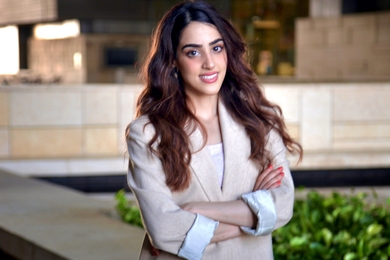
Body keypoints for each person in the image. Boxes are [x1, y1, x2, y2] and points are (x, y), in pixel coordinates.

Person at [126, 1, 303, 259]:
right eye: (193, 52)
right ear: (174, 61)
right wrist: (254, 213)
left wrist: (197, 210)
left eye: (216, 48)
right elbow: (164, 230)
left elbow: (283, 206)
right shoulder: (147, 134)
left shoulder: (260, 121)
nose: (210, 63)